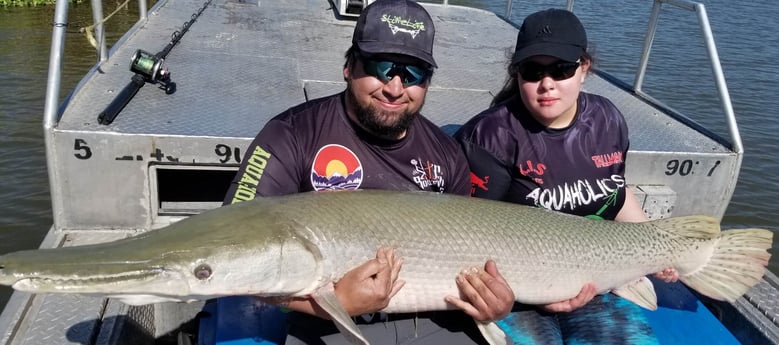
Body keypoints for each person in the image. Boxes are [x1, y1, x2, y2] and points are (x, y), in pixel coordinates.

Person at [223, 1, 525, 343]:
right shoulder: (290, 134)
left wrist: (492, 303)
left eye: (413, 74)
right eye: (381, 68)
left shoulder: (447, 154)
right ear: (349, 66)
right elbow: (233, 253)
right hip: (322, 321)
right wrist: (335, 302)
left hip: (433, 322)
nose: (395, 88)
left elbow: (470, 257)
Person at [454, 8, 678, 344]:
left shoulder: (607, 118)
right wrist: (534, 289)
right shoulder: (489, 138)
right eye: (532, 71)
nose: (547, 84)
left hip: (596, 279)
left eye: (561, 70)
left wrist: (658, 245)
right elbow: (462, 237)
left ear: (583, 68)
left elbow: (615, 194)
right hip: (514, 296)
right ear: (517, 74)